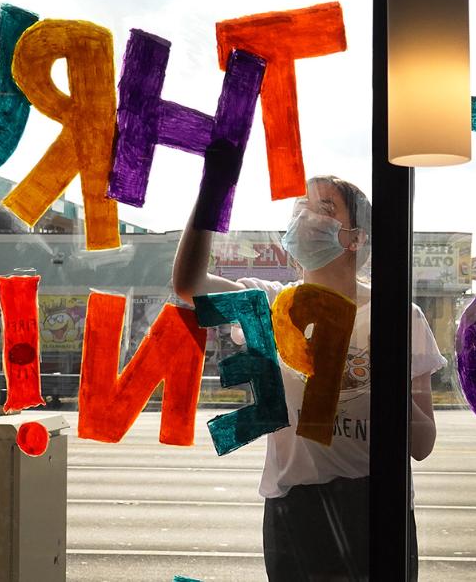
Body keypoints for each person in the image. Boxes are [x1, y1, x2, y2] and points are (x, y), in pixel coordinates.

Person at [173, 175, 445, 581]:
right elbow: (188, 285)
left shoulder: (401, 317)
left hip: (377, 506)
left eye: (324, 208)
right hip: (294, 512)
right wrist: (212, 192)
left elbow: (422, 444)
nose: (304, 215)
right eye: (300, 206)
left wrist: (386, 385)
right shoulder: (270, 304)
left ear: (355, 237)